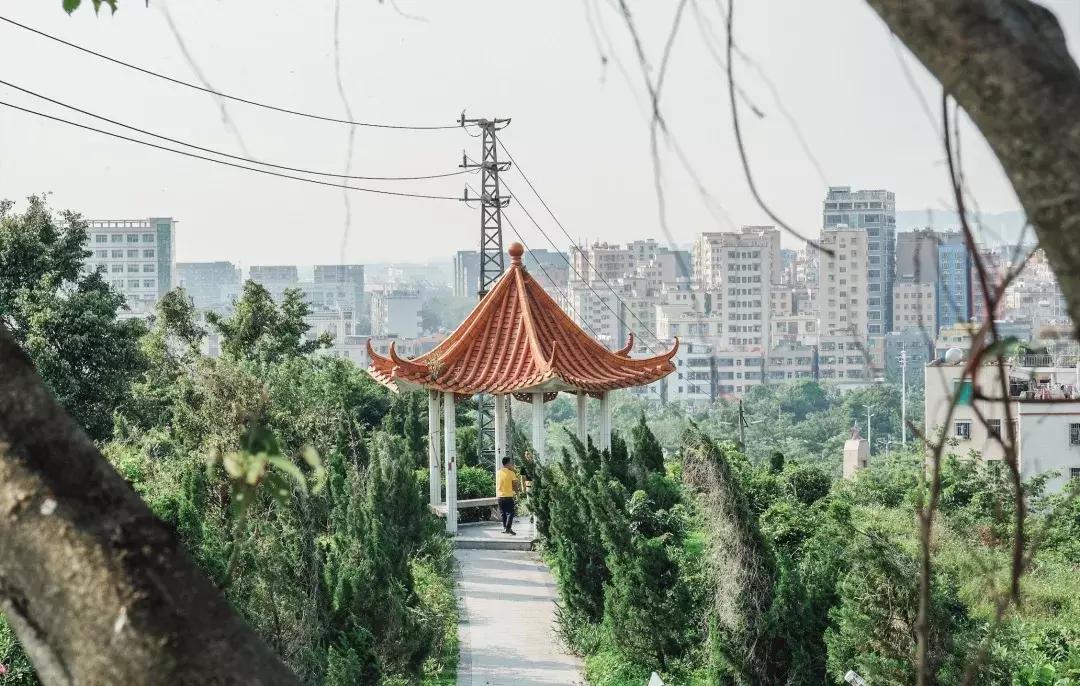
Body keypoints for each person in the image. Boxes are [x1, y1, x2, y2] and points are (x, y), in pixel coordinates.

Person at [496, 455, 521, 535]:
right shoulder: (511, 473)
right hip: (508, 496)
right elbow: (515, 484)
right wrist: (517, 493)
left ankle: (505, 528)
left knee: (503, 513)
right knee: (510, 513)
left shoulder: (498, 472)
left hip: (500, 496)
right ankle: (508, 528)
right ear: (508, 463)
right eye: (511, 463)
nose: (512, 464)